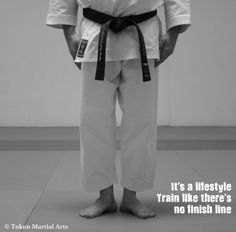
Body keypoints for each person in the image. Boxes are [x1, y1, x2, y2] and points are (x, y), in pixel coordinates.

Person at [46, 0, 191, 219]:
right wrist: (69, 32)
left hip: (143, 34)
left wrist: (174, 32)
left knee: (142, 120)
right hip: (95, 34)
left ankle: (131, 196)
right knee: (93, 120)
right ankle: (104, 195)